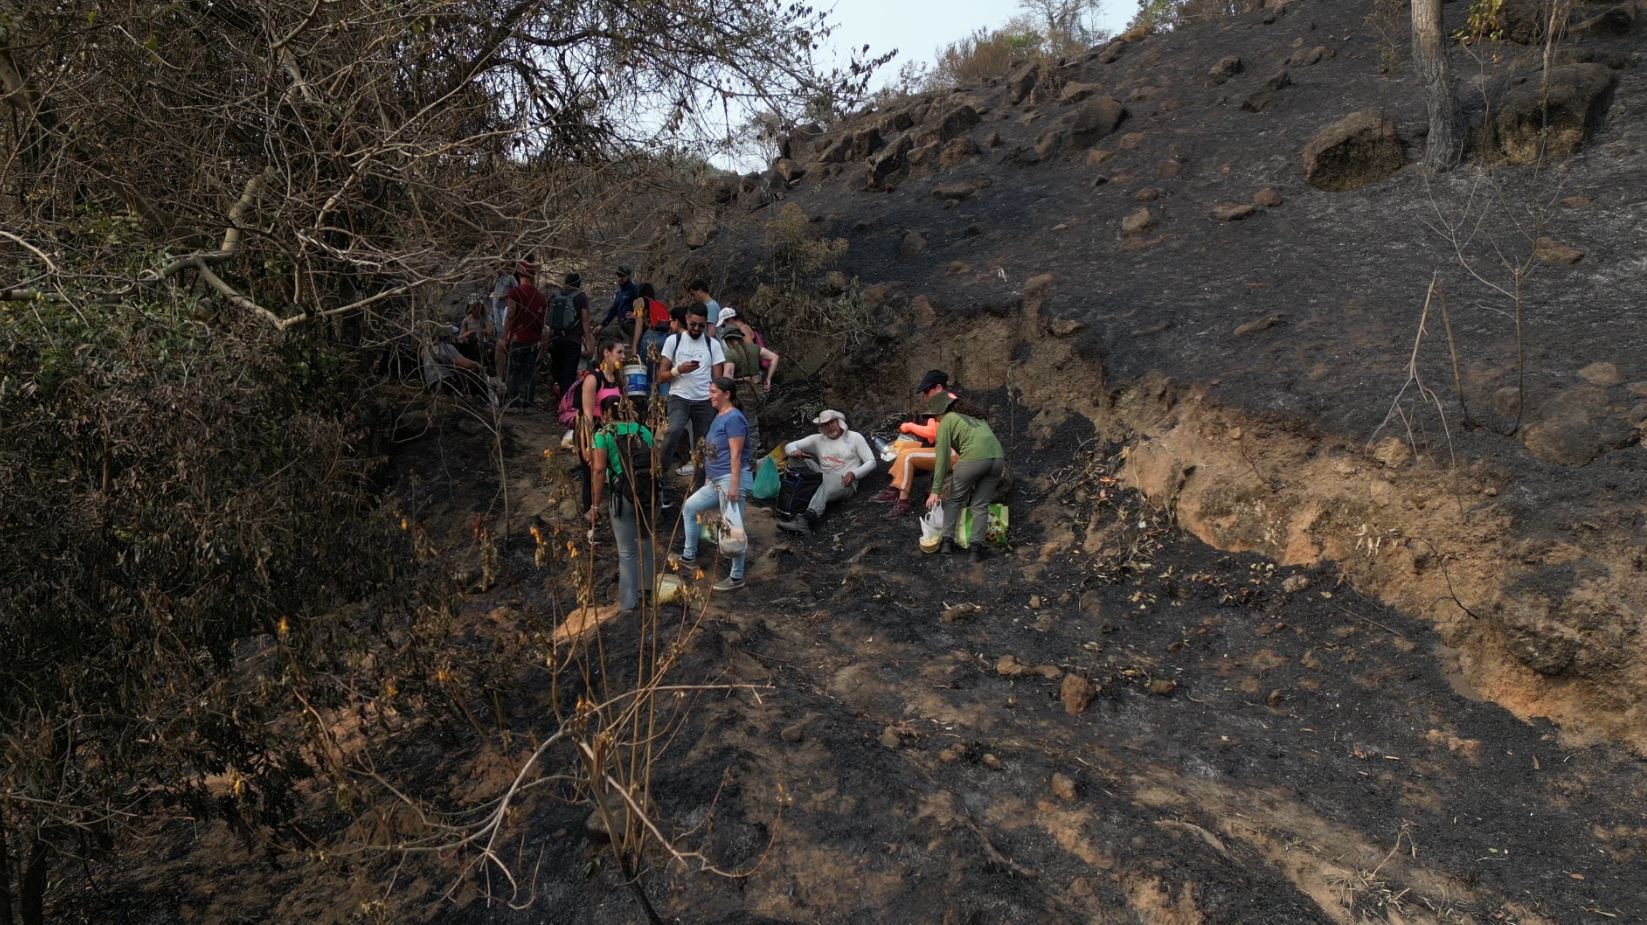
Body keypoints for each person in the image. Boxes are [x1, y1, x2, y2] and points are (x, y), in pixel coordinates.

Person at [679, 377, 751, 592]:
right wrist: (710, 477)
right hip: (716, 480)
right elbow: (715, 452)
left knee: (733, 528)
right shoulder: (719, 416)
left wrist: (734, 485)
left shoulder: (734, 418)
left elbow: (736, 454)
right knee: (690, 507)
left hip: (731, 478)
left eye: (713, 391)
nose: (709, 395)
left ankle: (737, 577)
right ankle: (688, 556)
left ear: (726, 394)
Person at [588, 394, 657, 613]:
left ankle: (628, 605)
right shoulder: (642, 430)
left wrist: (595, 505)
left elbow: (599, 470)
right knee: (646, 543)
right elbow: (656, 462)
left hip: (622, 496)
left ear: (607, 414)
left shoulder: (603, 434)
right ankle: (648, 594)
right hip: (648, 494)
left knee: (627, 552)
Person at [925, 392, 1006, 562]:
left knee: (955, 499)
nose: (935, 420)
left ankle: (947, 542)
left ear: (941, 411)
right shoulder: (977, 418)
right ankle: (976, 550)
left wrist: (935, 490)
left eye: (934, 416)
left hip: (973, 460)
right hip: (998, 460)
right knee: (981, 505)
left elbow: (942, 457)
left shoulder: (947, 420)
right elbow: (978, 443)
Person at [655, 304, 725, 499]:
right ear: (686, 319)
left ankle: (697, 487)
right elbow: (661, 376)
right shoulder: (673, 341)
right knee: (673, 429)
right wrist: (679, 370)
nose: (696, 329)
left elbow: (717, 379)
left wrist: (718, 403)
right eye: (693, 324)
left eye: (701, 326)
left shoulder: (713, 345)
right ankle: (660, 474)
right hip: (680, 396)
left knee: (702, 443)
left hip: (704, 400)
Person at [872, 370, 958, 518]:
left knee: (908, 455)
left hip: (954, 452)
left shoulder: (949, 402)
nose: (924, 396)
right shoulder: (939, 403)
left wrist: (910, 426)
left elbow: (933, 433)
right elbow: (932, 435)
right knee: (903, 446)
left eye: (926, 391)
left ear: (938, 388)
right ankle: (894, 488)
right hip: (941, 446)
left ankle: (903, 502)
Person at [778, 410, 877, 534]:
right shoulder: (818, 440)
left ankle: (805, 521)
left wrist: (854, 474)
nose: (829, 427)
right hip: (823, 475)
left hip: (844, 481)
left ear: (838, 421)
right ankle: (803, 493)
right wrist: (795, 452)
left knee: (828, 481)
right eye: (825, 425)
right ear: (821, 427)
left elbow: (871, 461)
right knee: (794, 458)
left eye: (831, 422)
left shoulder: (854, 437)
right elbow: (789, 446)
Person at [579, 339, 628, 513]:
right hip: (594, 430)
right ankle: (590, 517)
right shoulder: (593, 378)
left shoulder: (618, 379)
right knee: (592, 474)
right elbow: (587, 415)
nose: (623, 356)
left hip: (613, 431)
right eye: (619, 352)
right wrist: (587, 444)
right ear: (606, 353)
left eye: (624, 352)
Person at [719, 325, 778, 454]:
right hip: (758, 390)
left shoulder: (731, 354)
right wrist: (768, 378)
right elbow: (774, 357)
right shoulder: (754, 348)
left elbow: (727, 377)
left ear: (727, 340)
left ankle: (751, 456)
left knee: (749, 425)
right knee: (754, 420)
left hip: (743, 393)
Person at [498, 262, 547, 407]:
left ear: (519, 275)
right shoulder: (540, 296)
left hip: (517, 338)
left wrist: (505, 337)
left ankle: (514, 401)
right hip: (533, 340)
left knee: (514, 370)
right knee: (529, 372)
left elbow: (510, 315)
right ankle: (528, 401)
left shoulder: (515, 293)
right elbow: (542, 322)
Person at [546, 272, 593, 401]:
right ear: (579, 284)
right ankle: (566, 406)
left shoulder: (556, 294)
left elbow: (548, 317)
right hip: (573, 340)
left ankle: (559, 402)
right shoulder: (581, 297)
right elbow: (585, 320)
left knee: (558, 373)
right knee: (569, 374)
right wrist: (588, 341)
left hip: (556, 339)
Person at [630, 282, 673, 393]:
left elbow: (639, 324)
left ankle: (651, 405)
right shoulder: (659, 304)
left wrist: (634, 346)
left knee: (648, 374)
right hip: (665, 338)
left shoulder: (639, 301)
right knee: (662, 374)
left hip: (651, 338)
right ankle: (665, 404)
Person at [420, 328, 487, 396]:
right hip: (445, 382)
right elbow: (466, 364)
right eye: (452, 334)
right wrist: (478, 364)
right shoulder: (446, 347)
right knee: (477, 380)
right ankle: (484, 403)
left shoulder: (425, 350)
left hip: (432, 385)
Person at [599, 265, 640, 335]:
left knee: (606, 333)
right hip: (621, 324)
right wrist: (603, 324)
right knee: (601, 332)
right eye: (618, 275)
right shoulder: (619, 293)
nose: (619, 278)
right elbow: (613, 310)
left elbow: (644, 304)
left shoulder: (636, 289)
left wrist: (637, 315)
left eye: (622, 276)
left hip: (632, 325)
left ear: (628, 276)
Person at [456, 298, 495, 367]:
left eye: (478, 306)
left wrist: (476, 331)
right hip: (470, 346)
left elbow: (490, 331)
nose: (477, 308)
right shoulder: (466, 321)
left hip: (484, 344)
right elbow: (461, 336)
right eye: (474, 306)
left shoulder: (487, 318)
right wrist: (468, 334)